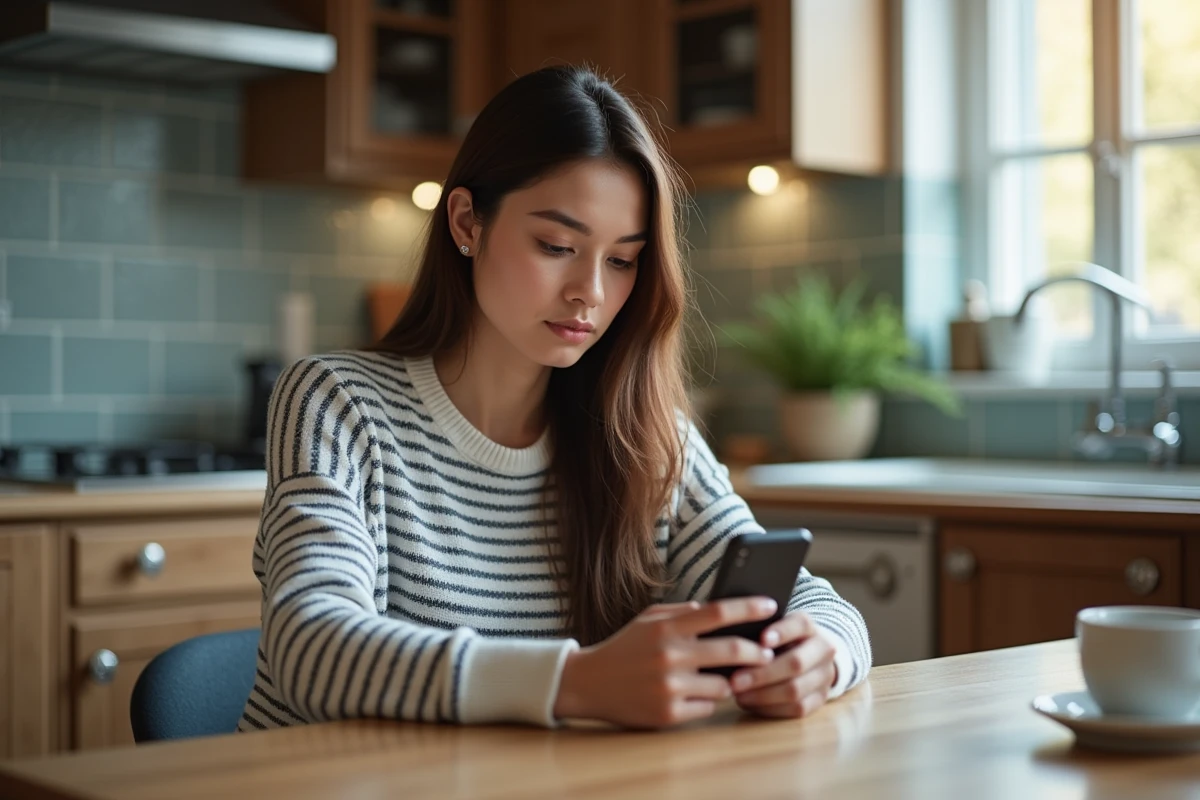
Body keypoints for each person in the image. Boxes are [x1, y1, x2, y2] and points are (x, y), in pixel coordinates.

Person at [238, 66, 870, 732]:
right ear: (466, 222)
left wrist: (820, 655)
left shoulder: (645, 436)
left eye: (622, 260)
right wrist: (578, 682)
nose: (590, 292)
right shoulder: (336, 402)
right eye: (557, 245)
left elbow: (818, 606)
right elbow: (311, 648)